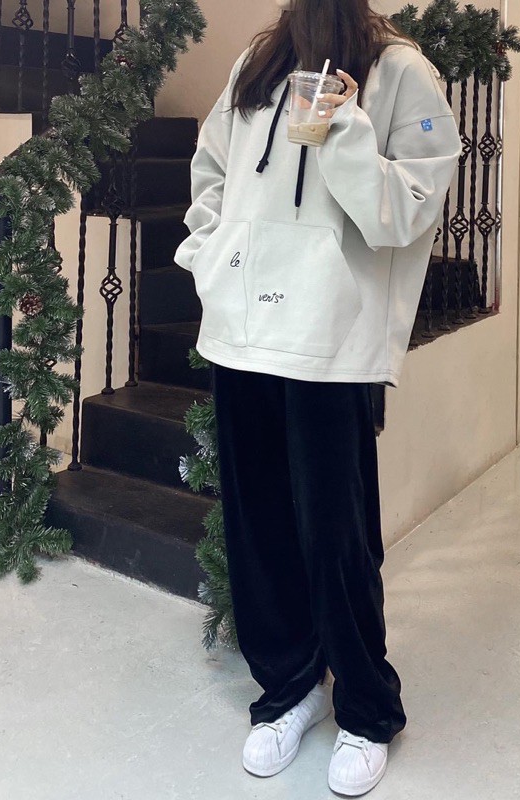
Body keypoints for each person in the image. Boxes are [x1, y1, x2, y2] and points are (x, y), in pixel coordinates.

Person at [174, 0, 461, 794]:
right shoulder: (256, 64)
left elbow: (408, 210)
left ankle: (366, 707)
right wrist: (209, 255)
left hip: (333, 340)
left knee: (338, 535)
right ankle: (289, 687)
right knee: (257, 523)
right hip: (242, 328)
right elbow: (212, 167)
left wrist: (345, 128)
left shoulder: (401, 71)